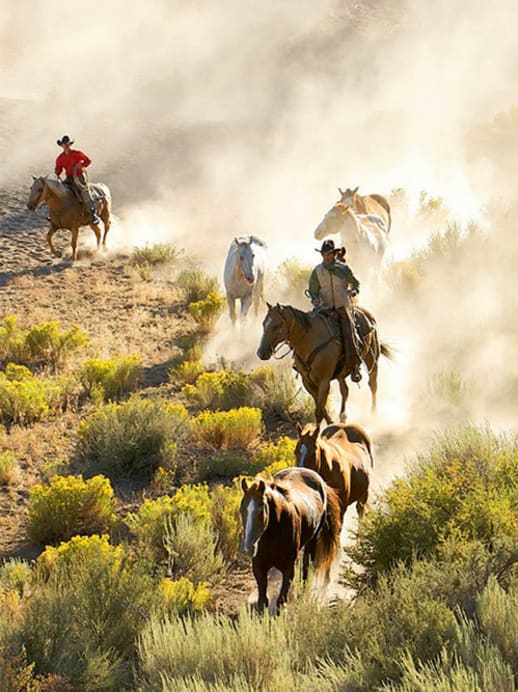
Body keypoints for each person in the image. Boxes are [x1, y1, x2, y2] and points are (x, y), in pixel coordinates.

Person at [308, 239, 363, 382]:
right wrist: (314, 298)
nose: (326, 257)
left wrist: (354, 291)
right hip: (324, 309)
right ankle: (302, 363)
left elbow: (355, 283)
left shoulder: (343, 269)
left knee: (349, 332)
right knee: (307, 328)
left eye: (328, 254)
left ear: (334, 254)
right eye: (324, 254)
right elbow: (313, 290)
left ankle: (354, 365)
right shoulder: (317, 272)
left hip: (341, 308)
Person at [54, 135, 100, 225]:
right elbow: (59, 169)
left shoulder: (77, 153)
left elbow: (88, 161)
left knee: (84, 192)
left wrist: (81, 165)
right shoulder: (60, 158)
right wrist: (57, 171)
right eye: (64, 144)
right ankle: (57, 214)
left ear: (69, 144)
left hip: (79, 176)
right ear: (62, 145)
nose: (66, 146)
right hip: (69, 178)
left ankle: (92, 214)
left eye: (67, 144)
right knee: (60, 192)